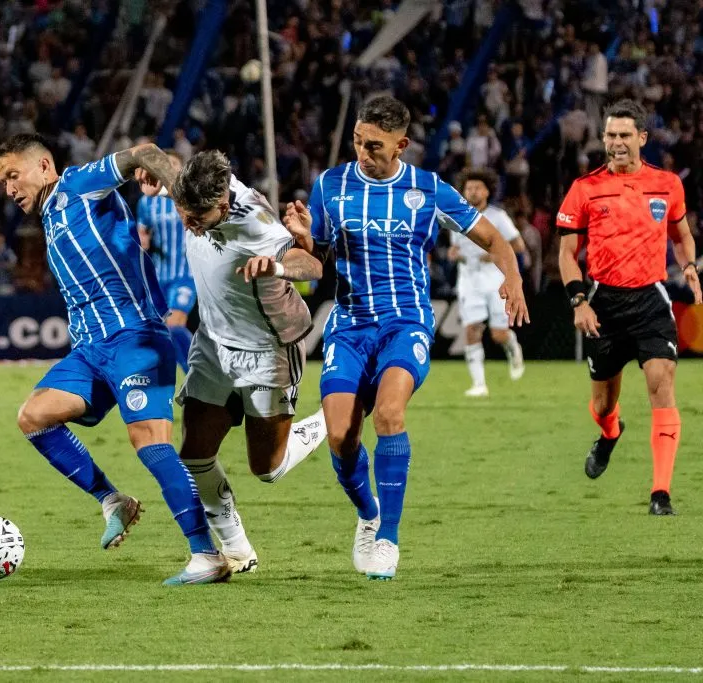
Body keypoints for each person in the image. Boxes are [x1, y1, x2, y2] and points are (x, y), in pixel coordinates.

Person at [283, 96, 529, 580]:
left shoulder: (427, 189)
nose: (362, 152)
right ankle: (368, 514)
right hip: (350, 323)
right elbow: (317, 261)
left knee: (390, 415)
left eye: (373, 145)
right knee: (340, 436)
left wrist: (513, 278)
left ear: (402, 144)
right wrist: (303, 239)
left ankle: (389, 538)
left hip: (406, 322)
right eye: (357, 141)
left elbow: (494, 239)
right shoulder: (331, 185)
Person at [0, 133, 229, 585]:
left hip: (135, 336)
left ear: (44, 167)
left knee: (149, 442)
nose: (8, 188)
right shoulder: (51, 217)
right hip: (90, 351)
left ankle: (207, 554)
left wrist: (185, 196)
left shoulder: (78, 185)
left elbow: (142, 153)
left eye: (13, 175)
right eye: (3, 181)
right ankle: (111, 499)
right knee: (34, 415)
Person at [136, 149, 328, 574]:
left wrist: (276, 264)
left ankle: (328, 420)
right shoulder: (194, 188)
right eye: (183, 214)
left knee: (267, 468)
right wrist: (151, 174)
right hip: (213, 344)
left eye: (197, 219)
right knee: (195, 452)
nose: (188, 225)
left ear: (222, 206)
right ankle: (238, 551)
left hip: (268, 351)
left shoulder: (256, 223)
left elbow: (311, 264)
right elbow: (159, 158)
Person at [556, 99, 701, 516]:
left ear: (642, 138)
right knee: (603, 404)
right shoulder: (585, 188)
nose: (616, 142)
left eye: (624, 135)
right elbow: (567, 254)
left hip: (651, 300)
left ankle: (660, 494)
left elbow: (681, 235)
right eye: (610, 135)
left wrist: (688, 265)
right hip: (604, 302)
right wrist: (579, 301)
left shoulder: (668, 184)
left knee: (662, 382)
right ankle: (610, 433)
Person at [448, 169, 528, 396]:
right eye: (469, 188)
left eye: (477, 188)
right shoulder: (456, 215)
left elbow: (519, 245)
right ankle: (479, 384)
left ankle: (512, 346)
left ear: (487, 191)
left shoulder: (498, 216)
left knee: (498, 334)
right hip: (468, 278)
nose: (472, 192)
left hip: (494, 278)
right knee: (472, 329)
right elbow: (457, 246)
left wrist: (496, 254)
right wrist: (454, 253)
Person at [137, 151, 195, 373]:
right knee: (162, 333)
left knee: (175, 326)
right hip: (159, 277)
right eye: (164, 165)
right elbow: (142, 236)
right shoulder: (147, 202)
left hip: (185, 274)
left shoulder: (190, 198)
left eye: (173, 165)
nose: (168, 169)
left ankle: (196, 375)